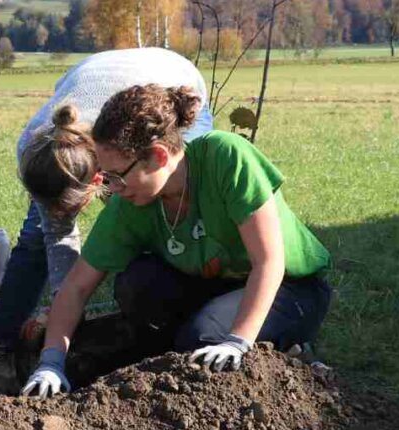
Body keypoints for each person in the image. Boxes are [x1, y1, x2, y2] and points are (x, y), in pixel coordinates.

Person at [21, 84, 332, 398]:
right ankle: (177, 346)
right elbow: (76, 286)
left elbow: (269, 262)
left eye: (116, 175)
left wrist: (237, 341)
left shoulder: (224, 157)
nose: (111, 188)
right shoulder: (131, 203)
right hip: (211, 288)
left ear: (157, 156)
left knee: (203, 342)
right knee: (138, 283)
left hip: (289, 288)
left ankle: (290, 352)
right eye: (106, 176)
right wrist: (51, 362)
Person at [0, 48, 214, 394]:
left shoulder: (121, 146)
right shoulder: (37, 147)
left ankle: (171, 331)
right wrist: (62, 307)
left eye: (71, 209)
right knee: (36, 237)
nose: (63, 218)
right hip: (93, 76)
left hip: (175, 80)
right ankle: (0, 351)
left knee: (163, 212)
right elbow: (58, 238)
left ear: (99, 180)